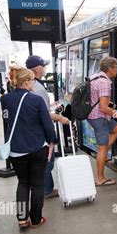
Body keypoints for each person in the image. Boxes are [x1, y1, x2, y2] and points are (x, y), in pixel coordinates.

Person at [1, 66, 56, 229]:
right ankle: (37, 219)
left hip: (16, 149)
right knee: (37, 184)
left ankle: (22, 219)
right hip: (37, 147)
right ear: (25, 82)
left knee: (23, 183)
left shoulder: (5, 99)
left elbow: (8, 122)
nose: (33, 83)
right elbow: (47, 125)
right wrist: (52, 141)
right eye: (32, 80)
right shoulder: (36, 100)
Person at [26, 55, 70, 199]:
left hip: (32, 129)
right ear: (38, 69)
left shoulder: (30, 84)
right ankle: (47, 190)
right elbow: (44, 114)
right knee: (47, 161)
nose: (45, 68)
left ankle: (44, 188)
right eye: (44, 66)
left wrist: (50, 105)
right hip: (42, 130)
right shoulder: (38, 88)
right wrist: (61, 118)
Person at [87, 57, 117, 186]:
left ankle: (104, 153)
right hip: (99, 117)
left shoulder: (95, 77)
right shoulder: (105, 82)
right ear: (109, 68)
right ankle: (100, 179)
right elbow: (103, 108)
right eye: (116, 67)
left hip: (94, 115)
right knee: (102, 148)